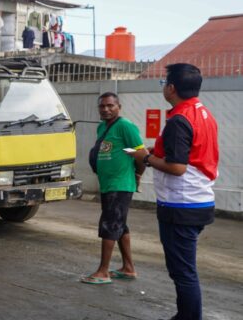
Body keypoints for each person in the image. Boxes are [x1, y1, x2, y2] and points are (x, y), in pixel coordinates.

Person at [128, 64, 218, 320]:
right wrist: (153, 153)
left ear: (171, 88)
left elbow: (177, 167)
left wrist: (144, 158)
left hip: (181, 205)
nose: (163, 87)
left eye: (164, 83)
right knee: (184, 269)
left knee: (183, 272)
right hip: (197, 201)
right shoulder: (202, 113)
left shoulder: (180, 119)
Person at [81, 92, 146, 285]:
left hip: (121, 184)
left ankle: (103, 271)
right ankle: (128, 268)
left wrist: (137, 175)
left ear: (119, 107)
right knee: (119, 225)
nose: (106, 109)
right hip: (109, 184)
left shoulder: (125, 126)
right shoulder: (103, 127)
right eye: (102, 106)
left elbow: (140, 153)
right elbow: (124, 149)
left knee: (109, 225)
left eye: (110, 106)